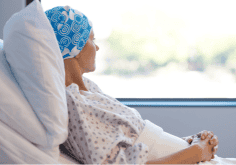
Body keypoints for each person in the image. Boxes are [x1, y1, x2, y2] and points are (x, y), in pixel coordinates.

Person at [45, 6, 219, 164]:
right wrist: (197, 152)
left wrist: (186, 143)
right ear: (75, 46)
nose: (97, 47)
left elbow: (132, 142)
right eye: (92, 39)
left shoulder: (89, 90)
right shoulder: (73, 103)